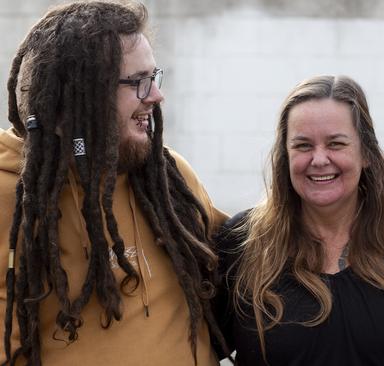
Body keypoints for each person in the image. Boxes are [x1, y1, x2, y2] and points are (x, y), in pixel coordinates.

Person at [0, 1, 229, 365]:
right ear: (78, 96)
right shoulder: (10, 195)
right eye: (139, 82)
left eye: (154, 77)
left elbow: (243, 259)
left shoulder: (168, 177)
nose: (156, 95)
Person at [213, 75, 384, 365]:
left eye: (336, 144)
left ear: (366, 152)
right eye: (303, 146)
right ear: (285, 155)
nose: (319, 159)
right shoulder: (242, 244)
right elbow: (186, 344)